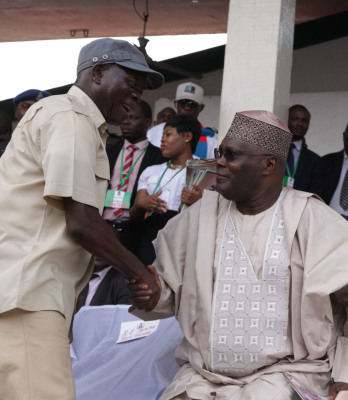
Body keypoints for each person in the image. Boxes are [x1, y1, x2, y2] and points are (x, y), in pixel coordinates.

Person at [129, 110, 348, 400]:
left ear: (269, 164)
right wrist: (152, 294)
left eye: (232, 155)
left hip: (286, 375)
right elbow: (170, 288)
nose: (219, 163)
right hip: (204, 376)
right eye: (219, 152)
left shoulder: (311, 218)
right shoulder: (199, 216)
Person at [0, 38, 164, 399]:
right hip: (29, 296)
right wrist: (139, 272)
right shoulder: (70, 117)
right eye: (131, 85)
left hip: (23, 294)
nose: (135, 97)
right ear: (99, 72)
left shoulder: (75, 122)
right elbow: (82, 221)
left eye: (139, 92)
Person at [130, 114, 202, 265]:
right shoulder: (151, 171)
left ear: (188, 136)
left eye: (168, 134)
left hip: (186, 238)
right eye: (162, 135)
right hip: (151, 238)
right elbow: (134, 215)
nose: (162, 139)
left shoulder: (204, 172)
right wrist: (141, 204)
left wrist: (201, 200)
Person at [103, 99, 167, 250]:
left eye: (132, 118)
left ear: (148, 121)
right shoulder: (108, 152)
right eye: (124, 118)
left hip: (135, 231)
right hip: (103, 227)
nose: (125, 122)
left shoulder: (159, 158)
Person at [146, 82, 217, 160]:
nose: (187, 107)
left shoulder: (211, 139)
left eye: (192, 104)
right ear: (175, 103)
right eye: (183, 102)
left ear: (201, 108)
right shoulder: (155, 131)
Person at [284, 104, 324, 196]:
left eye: (304, 121)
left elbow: (315, 193)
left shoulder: (315, 161)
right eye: (295, 119)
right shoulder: (273, 150)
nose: (300, 124)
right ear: (287, 119)